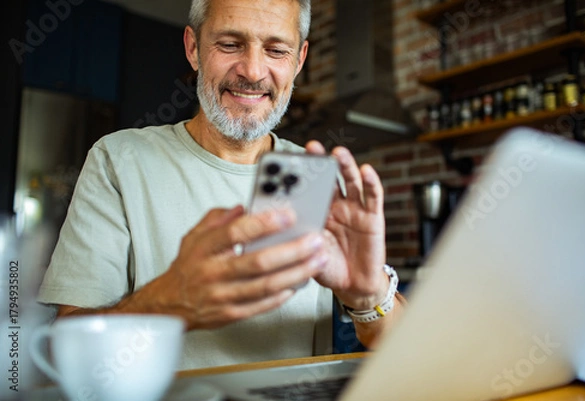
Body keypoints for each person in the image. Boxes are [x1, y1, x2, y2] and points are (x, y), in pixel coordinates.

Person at [37, 0, 406, 369]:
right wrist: (168, 303)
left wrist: (368, 293)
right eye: (230, 44)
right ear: (194, 48)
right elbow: (65, 354)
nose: (253, 71)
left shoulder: (317, 175)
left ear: (299, 60)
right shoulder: (118, 161)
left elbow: (404, 348)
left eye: (276, 50)